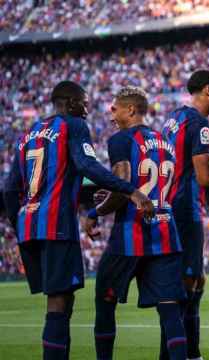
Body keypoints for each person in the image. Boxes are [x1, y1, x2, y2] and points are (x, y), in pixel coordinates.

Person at [2, 81, 154, 360]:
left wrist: (19, 223)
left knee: (59, 301)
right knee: (59, 302)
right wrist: (129, 189)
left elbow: (10, 188)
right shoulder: (73, 125)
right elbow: (86, 165)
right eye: (84, 103)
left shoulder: (29, 133)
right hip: (57, 223)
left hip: (29, 226)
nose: (87, 109)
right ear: (70, 103)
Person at [84, 86, 187, 360]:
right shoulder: (165, 142)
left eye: (115, 108)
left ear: (130, 109)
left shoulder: (121, 139)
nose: (111, 114)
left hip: (130, 235)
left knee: (104, 302)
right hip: (166, 232)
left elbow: (125, 187)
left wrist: (94, 213)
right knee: (169, 309)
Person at [162, 70, 209, 360]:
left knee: (197, 280)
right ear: (207, 90)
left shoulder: (173, 118)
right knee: (186, 284)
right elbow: (205, 178)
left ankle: (192, 353)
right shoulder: (201, 124)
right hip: (185, 208)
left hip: (167, 206)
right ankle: (176, 354)